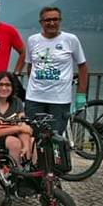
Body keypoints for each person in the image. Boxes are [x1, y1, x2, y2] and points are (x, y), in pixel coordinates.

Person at [25, 7, 88, 135]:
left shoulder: (71, 39)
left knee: (55, 138)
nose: (52, 23)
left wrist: (81, 94)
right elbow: (30, 65)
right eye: (48, 20)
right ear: (41, 22)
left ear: (60, 21)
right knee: (33, 136)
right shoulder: (32, 40)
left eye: (55, 19)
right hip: (34, 98)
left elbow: (82, 66)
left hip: (59, 100)